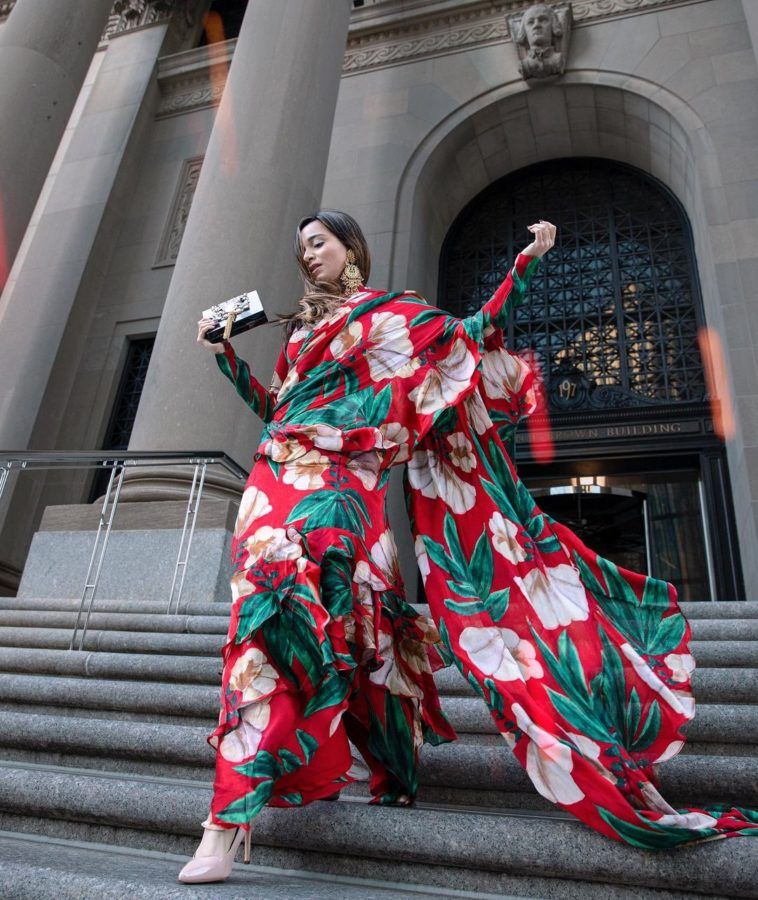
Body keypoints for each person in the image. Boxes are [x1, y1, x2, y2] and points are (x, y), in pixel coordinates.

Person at [179, 210, 757, 883]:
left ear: (350, 249)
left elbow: (470, 336)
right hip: (272, 480)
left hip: (343, 496)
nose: (308, 255)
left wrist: (525, 263)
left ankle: (228, 822)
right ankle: (250, 808)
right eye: (300, 247)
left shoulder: (393, 315)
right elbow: (281, 408)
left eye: (319, 242)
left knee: (299, 630)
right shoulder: (302, 331)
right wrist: (224, 357)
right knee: (280, 628)